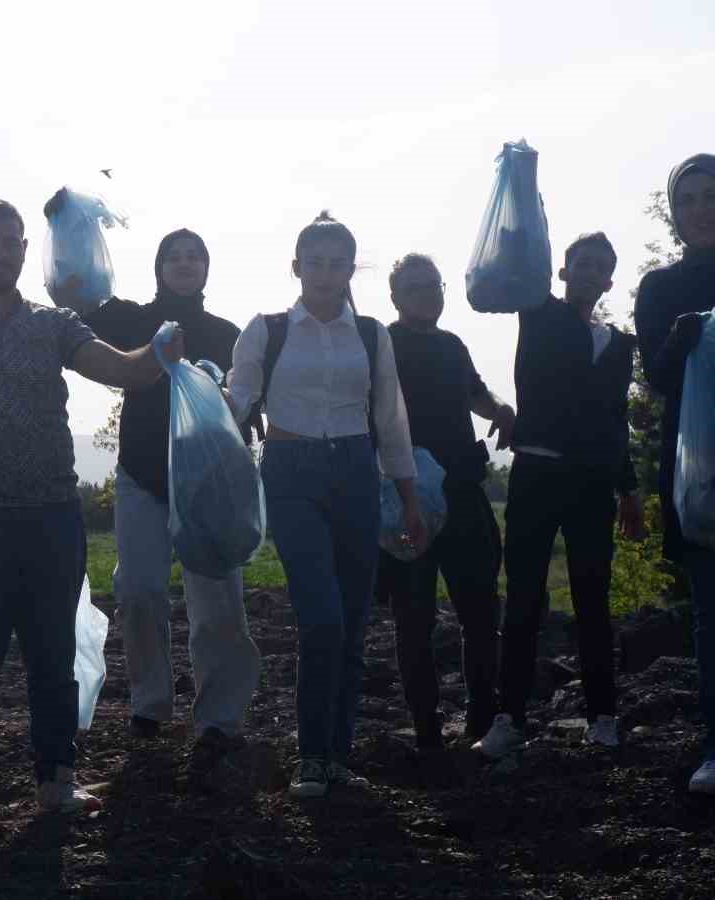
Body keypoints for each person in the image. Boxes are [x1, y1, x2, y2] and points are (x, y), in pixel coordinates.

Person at [0, 199, 187, 833]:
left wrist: (156, 355)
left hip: (51, 516)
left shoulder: (54, 325)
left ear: (26, 250)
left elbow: (119, 369)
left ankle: (57, 780)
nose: (1, 252)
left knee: (52, 657)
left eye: (11, 242)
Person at [223, 212, 425, 800]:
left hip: (357, 474)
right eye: (317, 262)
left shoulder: (371, 334)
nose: (327, 274)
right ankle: (310, 757)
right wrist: (196, 412)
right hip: (291, 473)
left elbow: (390, 417)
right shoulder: (265, 329)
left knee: (355, 625)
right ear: (297, 267)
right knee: (321, 619)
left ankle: (339, 757)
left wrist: (409, 496)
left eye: (339, 264)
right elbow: (236, 403)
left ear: (349, 271)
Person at [74, 220, 263, 784]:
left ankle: (219, 717)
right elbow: (77, 301)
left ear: (207, 268)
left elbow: (246, 408)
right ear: (158, 267)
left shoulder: (229, 333)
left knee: (217, 600)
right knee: (139, 590)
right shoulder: (131, 318)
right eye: (174, 256)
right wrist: (73, 225)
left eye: (194, 256)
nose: (185, 264)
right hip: (141, 475)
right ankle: (150, 705)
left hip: (208, 486)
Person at [473, 232, 643, 761]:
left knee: (593, 601)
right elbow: (517, 251)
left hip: (592, 485)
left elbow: (615, 421)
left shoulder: (619, 344)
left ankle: (603, 718)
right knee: (524, 599)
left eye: (599, 267)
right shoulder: (538, 312)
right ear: (562, 273)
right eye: (580, 264)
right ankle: (509, 720)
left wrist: (629, 489)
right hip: (536, 475)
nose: (589, 272)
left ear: (609, 281)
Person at [374, 253, 514, 752]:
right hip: (404, 495)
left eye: (432, 285)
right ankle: (427, 726)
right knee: (413, 617)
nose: (426, 294)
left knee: (480, 610)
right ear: (395, 297)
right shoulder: (381, 344)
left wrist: (500, 408)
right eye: (414, 288)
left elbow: (476, 392)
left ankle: (480, 716)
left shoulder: (453, 345)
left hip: (461, 487)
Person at [632, 153, 715, 793]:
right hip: (699, 474)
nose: (698, 209)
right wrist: (683, 341)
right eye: (686, 199)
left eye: (710, 195)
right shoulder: (661, 289)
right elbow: (658, 378)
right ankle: (714, 747)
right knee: (709, 611)